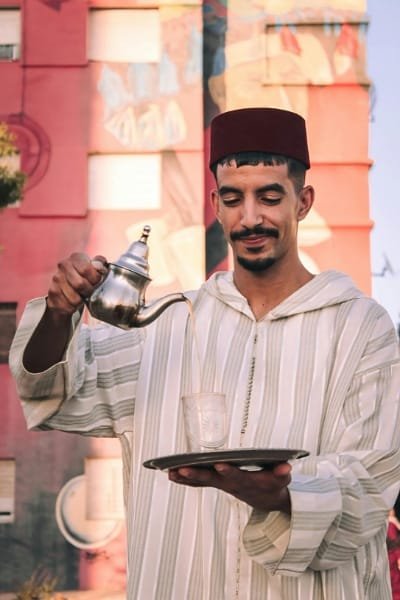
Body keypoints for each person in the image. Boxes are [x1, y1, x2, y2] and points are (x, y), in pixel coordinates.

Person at [9, 107, 400, 599]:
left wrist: (282, 496)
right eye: (234, 198)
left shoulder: (361, 328)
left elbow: (370, 483)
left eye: (270, 197)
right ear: (216, 203)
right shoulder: (170, 325)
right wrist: (60, 311)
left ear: (303, 202)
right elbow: (57, 391)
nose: (251, 217)